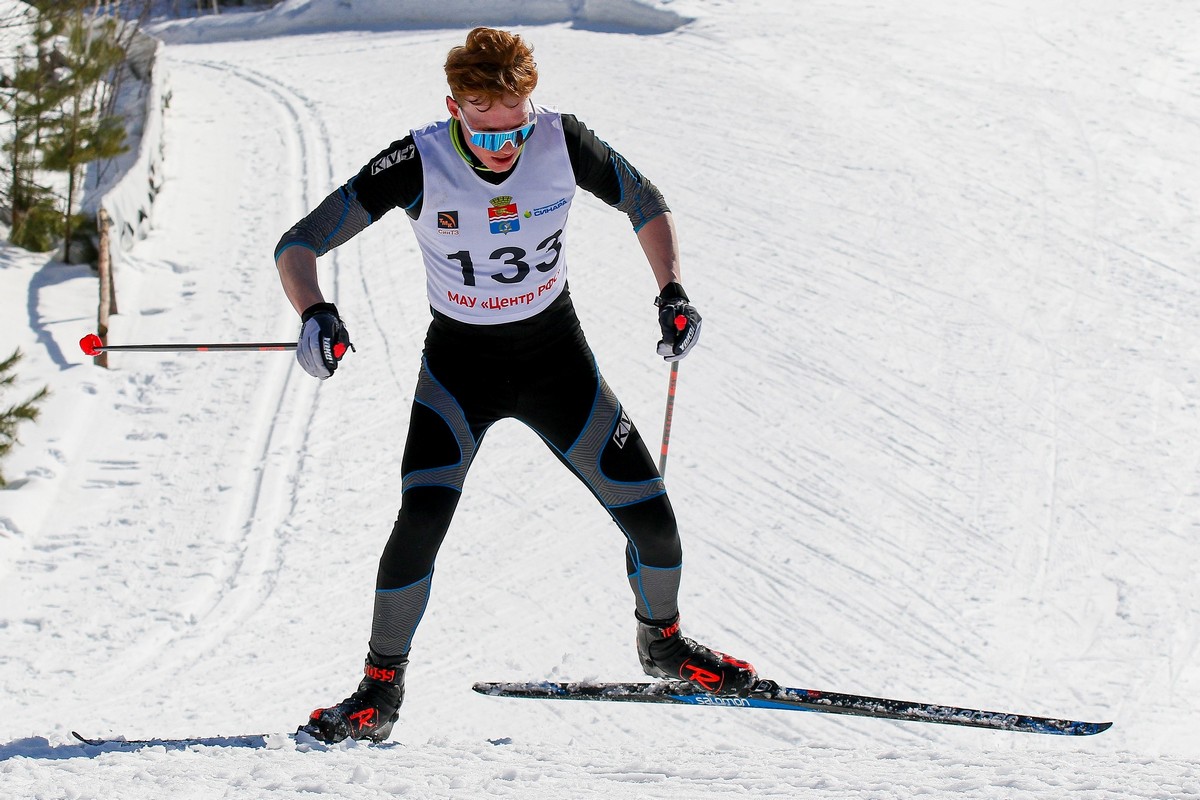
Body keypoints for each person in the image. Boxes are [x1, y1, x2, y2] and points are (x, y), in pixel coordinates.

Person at [274, 26, 756, 744]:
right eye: (483, 121)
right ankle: (380, 692)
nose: (504, 143)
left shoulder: (563, 141)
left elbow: (645, 201)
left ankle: (663, 645)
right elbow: (299, 241)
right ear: (453, 106)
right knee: (420, 523)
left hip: (555, 359)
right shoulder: (417, 159)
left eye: (516, 124)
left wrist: (673, 292)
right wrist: (314, 310)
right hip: (460, 369)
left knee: (653, 522)